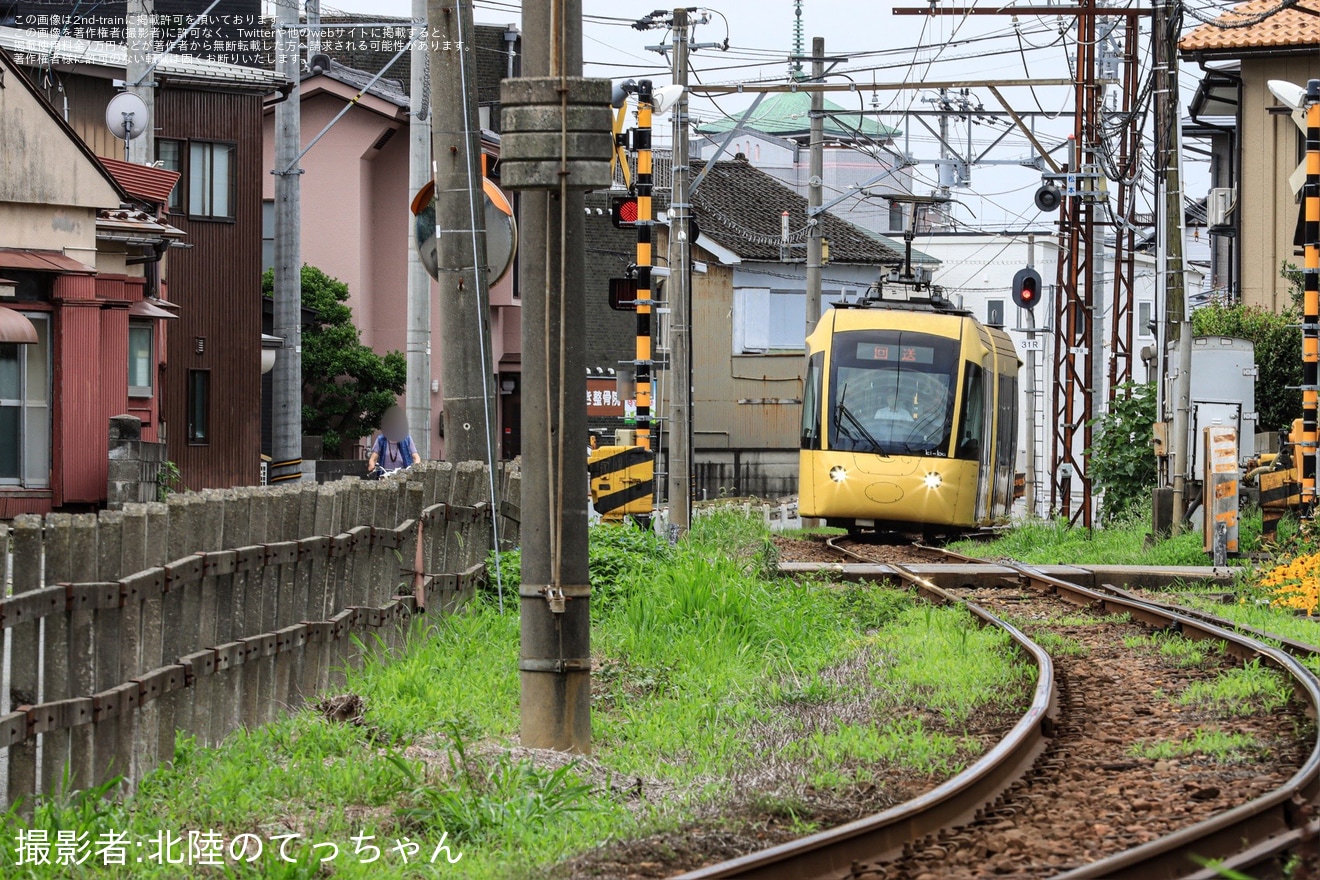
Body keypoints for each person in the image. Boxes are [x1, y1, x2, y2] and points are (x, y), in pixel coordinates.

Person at [367, 406, 421, 476]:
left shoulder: (407, 439)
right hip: (384, 475)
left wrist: (414, 467)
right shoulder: (381, 439)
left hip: (403, 475)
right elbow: (373, 458)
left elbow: (416, 457)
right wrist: (372, 465)